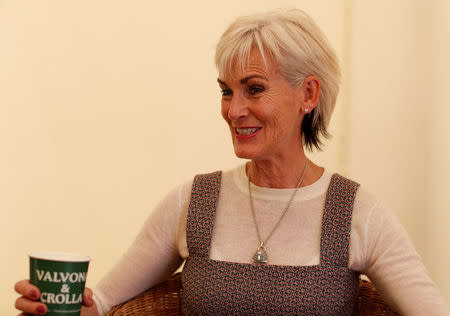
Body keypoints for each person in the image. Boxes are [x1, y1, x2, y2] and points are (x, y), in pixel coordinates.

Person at [14, 8, 450, 315]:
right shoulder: (194, 200)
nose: (233, 110)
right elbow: (102, 304)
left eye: (254, 89)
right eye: (226, 90)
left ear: (309, 95)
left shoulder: (358, 212)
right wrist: (51, 307)